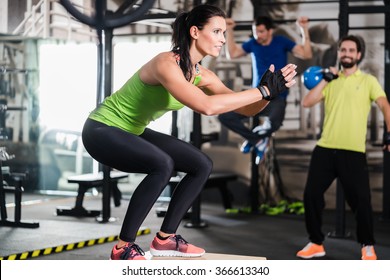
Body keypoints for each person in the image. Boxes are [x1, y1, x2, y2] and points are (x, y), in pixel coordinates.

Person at [81, 4, 297, 260]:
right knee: (163, 164)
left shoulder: (201, 74)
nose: (222, 39)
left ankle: (165, 239)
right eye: (217, 31)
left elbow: (247, 109)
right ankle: (123, 247)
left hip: (132, 130)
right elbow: (207, 106)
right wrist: (261, 92)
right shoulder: (166, 63)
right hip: (101, 128)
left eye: (223, 33)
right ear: (195, 31)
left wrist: (268, 94)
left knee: (201, 164)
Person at [296, 34, 390, 260]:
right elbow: (307, 102)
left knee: (362, 201)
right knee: (311, 196)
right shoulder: (330, 80)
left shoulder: (368, 81)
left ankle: (367, 245)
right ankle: (316, 242)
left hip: (353, 151)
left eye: (350, 50)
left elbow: (385, 105)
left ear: (358, 55)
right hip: (325, 148)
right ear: (339, 53)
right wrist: (326, 79)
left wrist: (389, 133)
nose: (346, 54)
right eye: (343, 50)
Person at [218, 15, 312, 163]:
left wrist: (304, 29)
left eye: (261, 31)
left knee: (274, 124)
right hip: (256, 96)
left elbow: (306, 54)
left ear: (270, 31)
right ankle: (257, 140)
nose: (258, 35)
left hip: (277, 97)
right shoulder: (253, 43)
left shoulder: (281, 42)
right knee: (225, 116)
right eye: (256, 31)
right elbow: (233, 54)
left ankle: (256, 137)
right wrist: (229, 30)